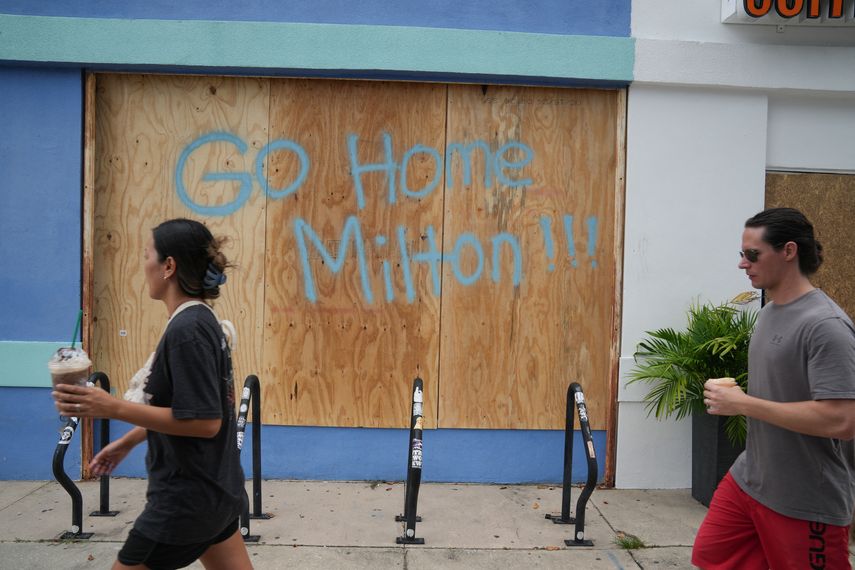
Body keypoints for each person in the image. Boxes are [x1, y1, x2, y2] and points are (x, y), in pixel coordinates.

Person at [53, 218, 252, 570]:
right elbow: (187, 406)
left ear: (168, 266)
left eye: (147, 254)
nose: (143, 264)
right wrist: (128, 441)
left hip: (183, 502)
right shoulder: (201, 320)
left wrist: (111, 406)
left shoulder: (187, 330)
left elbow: (205, 422)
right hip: (217, 493)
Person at [692, 207, 855, 569]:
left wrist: (744, 403)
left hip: (805, 497)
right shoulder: (768, 312)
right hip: (750, 479)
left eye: (753, 254)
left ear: (789, 251)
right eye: (742, 254)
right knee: (711, 557)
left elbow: (842, 420)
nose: (743, 264)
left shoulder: (825, 325)